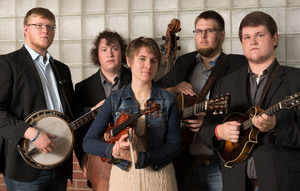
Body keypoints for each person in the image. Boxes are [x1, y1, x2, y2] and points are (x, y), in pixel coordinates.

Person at [199, 11, 300, 191]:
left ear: (274, 39)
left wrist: (276, 127)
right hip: (235, 184)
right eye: (247, 37)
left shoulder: (296, 79)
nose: (252, 42)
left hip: (283, 184)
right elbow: (206, 129)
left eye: (259, 35)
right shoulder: (226, 82)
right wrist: (219, 130)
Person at [156, 10, 247, 191]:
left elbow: (245, 108)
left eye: (209, 31)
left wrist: (209, 124)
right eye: (198, 31)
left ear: (222, 35)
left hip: (220, 162)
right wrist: (174, 89)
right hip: (185, 162)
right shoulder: (183, 63)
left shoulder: (239, 65)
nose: (203, 36)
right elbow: (152, 93)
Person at [82, 37, 181, 191]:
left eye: (153, 60)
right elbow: (88, 142)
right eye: (142, 59)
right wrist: (113, 151)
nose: (148, 65)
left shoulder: (168, 99)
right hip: (124, 179)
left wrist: (143, 158)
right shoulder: (114, 100)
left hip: (160, 177)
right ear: (129, 61)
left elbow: (174, 145)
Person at [0, 7, 78, 190]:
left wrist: (94, 110)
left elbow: (70, 111)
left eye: (51, 27)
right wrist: (32, 133)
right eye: (39, 25)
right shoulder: (7, 64)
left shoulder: (62, 69)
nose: (46, 31)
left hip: (59, 161)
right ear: (26, 29)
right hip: (24, 166)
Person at [74, 29, 131, 189]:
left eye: (115, 49)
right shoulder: (82, 88)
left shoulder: (138, 78)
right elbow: (79, 130)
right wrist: (83, 157)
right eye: (104, 50)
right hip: (99, 159)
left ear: (123, 53)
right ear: (97, 55)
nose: (110, 54)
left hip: (131, 155)